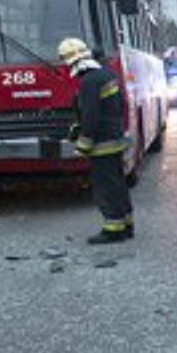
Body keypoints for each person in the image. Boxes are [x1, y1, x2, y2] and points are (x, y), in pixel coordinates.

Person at [58, 38, 134, 244]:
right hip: (116, 139)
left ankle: (113, 229)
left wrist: (83, 144)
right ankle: (126, 224)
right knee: (118, 184)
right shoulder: (107, 74)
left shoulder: (88, 82)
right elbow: (118, 106)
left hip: (101, 145)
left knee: (105, 188)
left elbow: (91, 116)